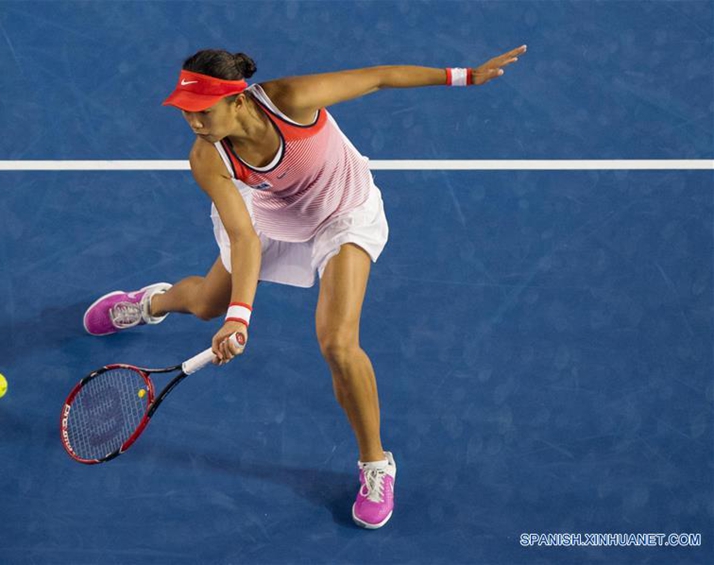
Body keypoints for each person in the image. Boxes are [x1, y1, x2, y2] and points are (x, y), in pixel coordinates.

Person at [83, 45, 526, 529]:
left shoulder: (293, 99)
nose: (193, 122)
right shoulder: (207, 158)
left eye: (202, 111)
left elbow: (379, 75)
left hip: (344, 213)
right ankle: (153, 302)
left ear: (237, 101)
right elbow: (243, 238)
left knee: (338, 343)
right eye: (186, 111)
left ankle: (376, 464)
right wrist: (238, 316)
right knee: (210, 303)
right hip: (272, 222)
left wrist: (464, 76)